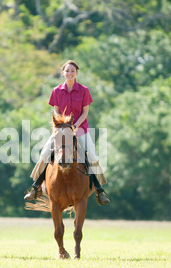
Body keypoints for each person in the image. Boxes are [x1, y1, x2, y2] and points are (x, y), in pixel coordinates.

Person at [24, 60, 111, 206]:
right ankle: (36, 187)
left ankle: (99, 190)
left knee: (92, 157)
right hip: (61, 130)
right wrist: (61, 125)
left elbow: (85, 112)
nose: (70, 73)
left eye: (72, 71)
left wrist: (74, 126)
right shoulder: (56, 91)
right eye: (67, 70)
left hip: (80, 129)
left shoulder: (84, 90)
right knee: (45, 154)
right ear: (63, 73)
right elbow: (56, 110)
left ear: (77, 73)